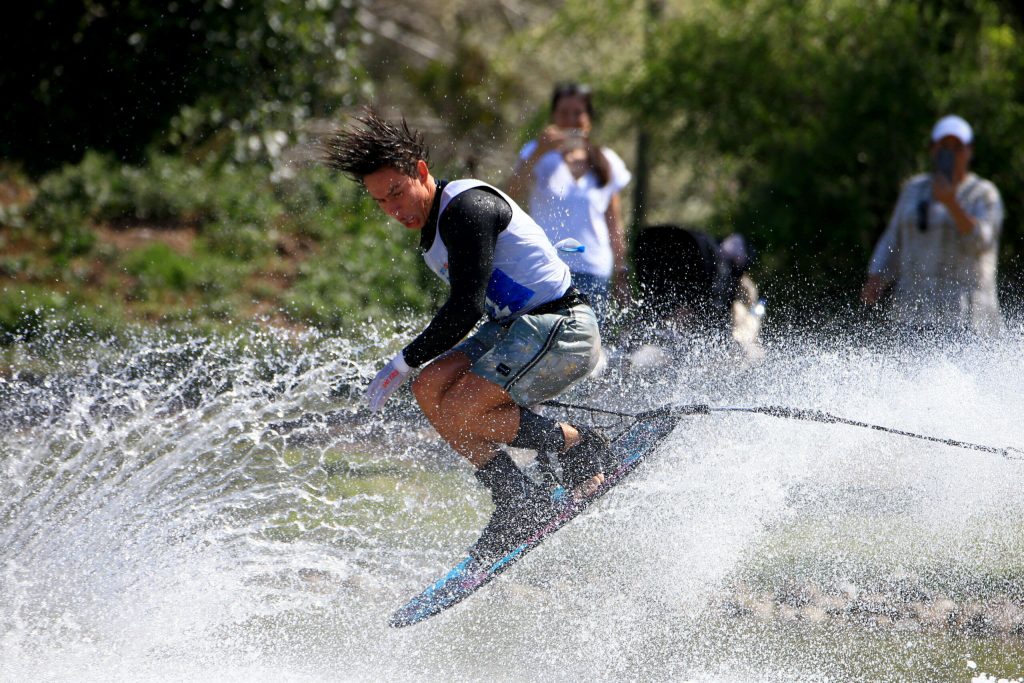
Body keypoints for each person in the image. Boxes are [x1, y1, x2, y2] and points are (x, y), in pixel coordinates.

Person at [321, 109, 616, 566]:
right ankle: (518, 500)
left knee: (461, 405)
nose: (395, 210)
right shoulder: (431, 230)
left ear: (421, 171)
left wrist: (401, 361)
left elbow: (465, 308)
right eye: (381, 202)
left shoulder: (465, 208)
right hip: (515, 330)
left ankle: (580, 444)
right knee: (430, 388)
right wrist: (413, 370)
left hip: (562, 327)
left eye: (397, 192)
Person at [861, 115, 1005, 336]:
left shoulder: (984, 194)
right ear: (932, 149)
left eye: (957, 147)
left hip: (967, 318)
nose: (950, 153)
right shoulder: (913, 189)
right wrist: (877, 275)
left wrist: (951, 203)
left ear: (970, 151)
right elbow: (893, 238)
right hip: (912, 314)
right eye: (943, 146)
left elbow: (982, 242)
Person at [506, 83, 632, 324]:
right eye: (564, 113)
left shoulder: (606, 161)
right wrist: (539, 152)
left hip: (593, 269)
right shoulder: (536, 153)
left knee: (588, 348)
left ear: (589, 119)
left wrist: (621, 272)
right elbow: (511, 193)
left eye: (577, 113)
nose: (570, 120)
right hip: (546, 266)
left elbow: (614, 223)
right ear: (553, 116)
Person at [625, 225, 764, 363]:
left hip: (668, 254)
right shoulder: (720, 271)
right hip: (685, 277)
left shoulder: (723, 271)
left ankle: (632, 347)